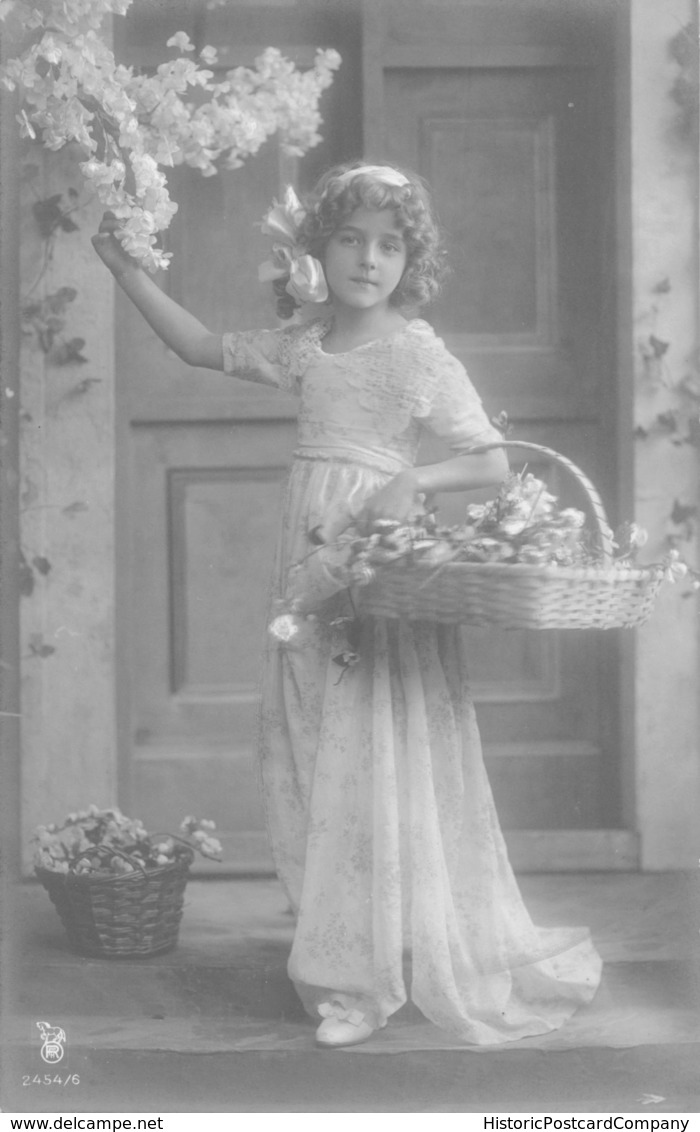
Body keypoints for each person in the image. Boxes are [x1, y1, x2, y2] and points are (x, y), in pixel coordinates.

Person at [93, 161, 602, 1049]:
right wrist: (124, 267)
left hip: (374, 567)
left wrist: (413, 475)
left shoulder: (418, 356)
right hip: (304, 558)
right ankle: (339, 943)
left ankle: (368, 981)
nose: (371, 257)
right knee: (309, 737)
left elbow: (488, 461)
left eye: (391, 243)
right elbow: (198, 347)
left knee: (374, 742)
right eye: (352, 237)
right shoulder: (304, 343)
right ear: (317, 247)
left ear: (413, 258)